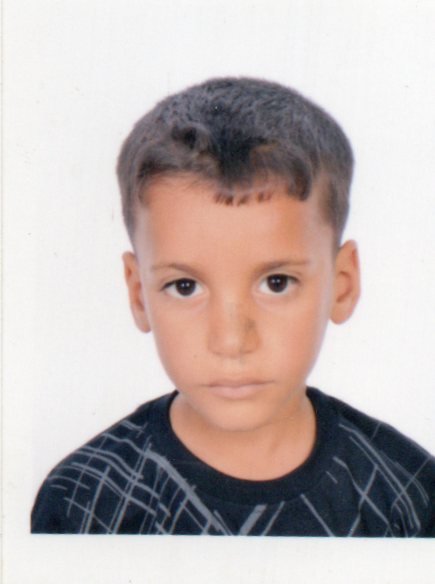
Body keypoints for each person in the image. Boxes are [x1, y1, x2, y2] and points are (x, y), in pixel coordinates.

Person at [31, 77, 435, 536]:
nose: (231, 340)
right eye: (185, 286)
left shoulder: (410, 493)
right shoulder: (85, 501)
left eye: (276, 283)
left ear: (342, 286)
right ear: (139, 294)